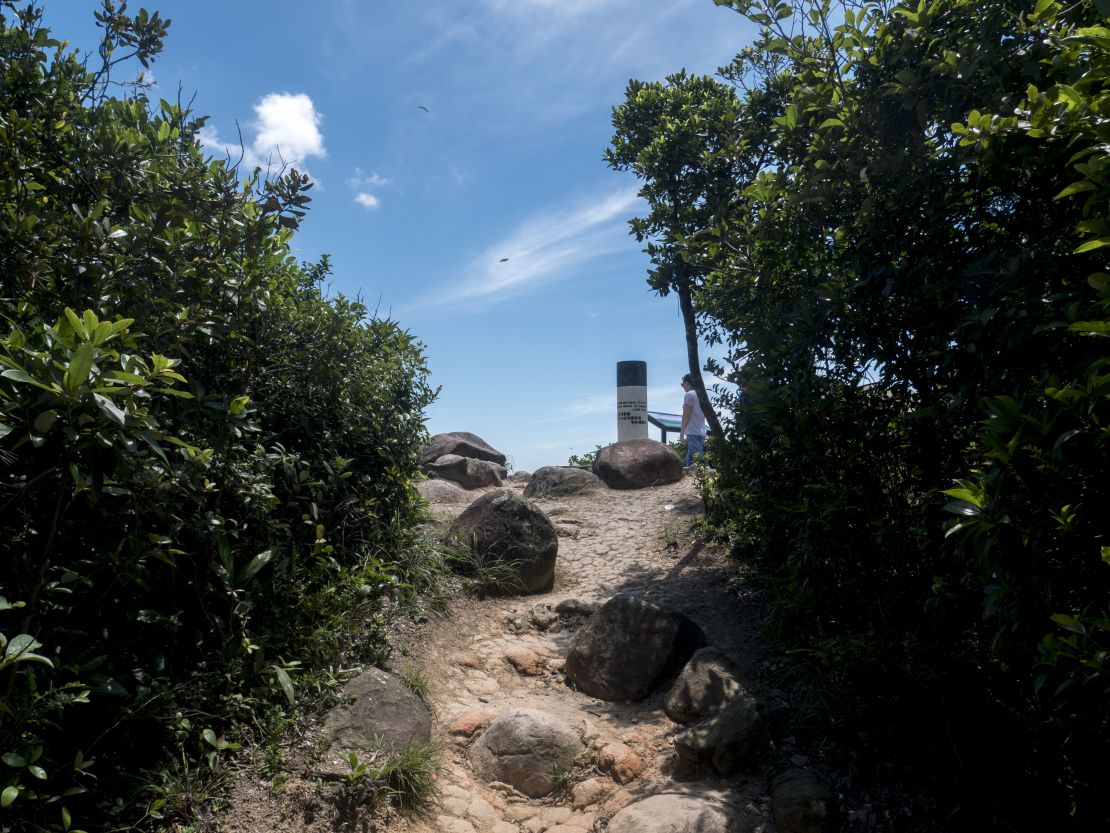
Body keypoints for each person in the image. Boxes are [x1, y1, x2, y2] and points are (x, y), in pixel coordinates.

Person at [679, 373, 706, 468]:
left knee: (698, 463)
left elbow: (686, 415)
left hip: (693, 432)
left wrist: (682, 432)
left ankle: (705, 480)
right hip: (701, 431)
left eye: (683, 384)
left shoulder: (689, 394)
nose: (683, 387)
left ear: (687, 383)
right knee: (690, 464)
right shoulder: (701, 395)